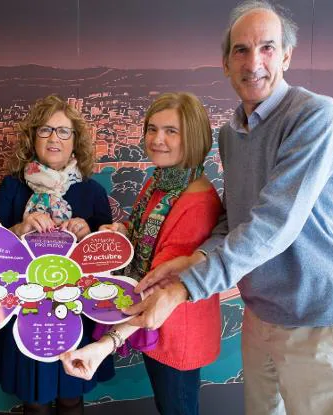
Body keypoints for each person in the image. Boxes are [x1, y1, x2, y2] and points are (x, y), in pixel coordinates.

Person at [125, 2, 333, 415]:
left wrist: (184, 287)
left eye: (267, 48)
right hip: (261, 315)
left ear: (287, 56)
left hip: (319, 316)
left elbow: (274, 224)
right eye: (240, 50)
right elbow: (236, 219)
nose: (253, 61)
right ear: (225, 63)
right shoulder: (231, 133)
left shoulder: (315, 117)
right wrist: (193, 260)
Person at [60, 92, 223, 415]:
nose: (157, 139)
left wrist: (107, 344)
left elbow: (162, 285)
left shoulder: (195, 202)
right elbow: (142, 232)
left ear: (193, 136)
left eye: (171, 131)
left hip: (177, 333)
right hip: (156, 328)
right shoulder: (161, 182)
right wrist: (118, 232)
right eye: (152, 129)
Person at [0, 95, 114, 415]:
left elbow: (110, 259)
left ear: (76, 142)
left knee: (72, 395)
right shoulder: (12, 189)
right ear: (33, 138)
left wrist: (89, 234)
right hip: (25, 312)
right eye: (45, 130)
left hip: (77, 312)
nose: (54, 139)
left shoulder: (92, 191)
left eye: (63, 132)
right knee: (34, 399)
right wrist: (19, 229)